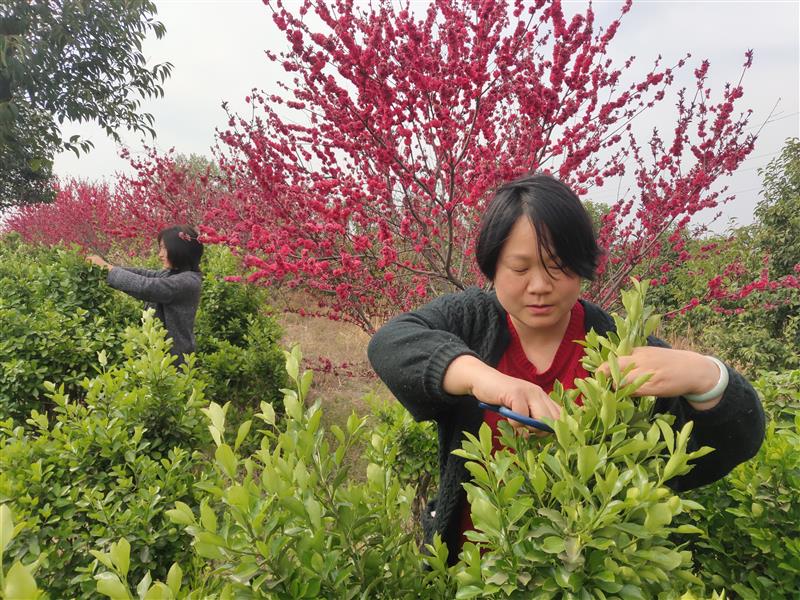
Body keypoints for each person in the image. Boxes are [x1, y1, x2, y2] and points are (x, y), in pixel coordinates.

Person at [367, 173, 765, 565]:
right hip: (476, 574)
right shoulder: (472, 321)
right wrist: (485, 379)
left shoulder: (618, 343)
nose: (539, 285)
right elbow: (392, 342)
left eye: (557, 266)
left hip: (589, 578)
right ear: (492, 268)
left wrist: (708, 378)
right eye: (520, 269)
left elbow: (732, 444)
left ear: (582, 264)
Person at [87, 225, 204, 364]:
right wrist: (104, 268)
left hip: (175, 361)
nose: (160, 254)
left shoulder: (188, 281)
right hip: (159, 355)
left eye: (164, 248)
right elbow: (144, 274)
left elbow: (147, 287)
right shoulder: (172, 274)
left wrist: (107, 269)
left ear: (180, 250)